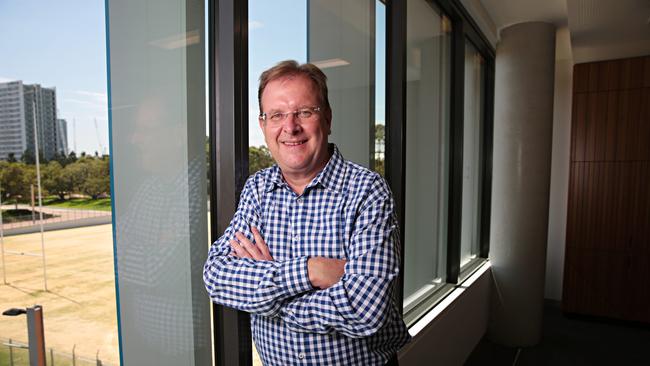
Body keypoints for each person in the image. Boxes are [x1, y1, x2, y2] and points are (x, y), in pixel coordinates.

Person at [203, 60, 410, 365]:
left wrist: (269, 296)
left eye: (304, 112)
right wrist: (311, 271)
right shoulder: (257, 189)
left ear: (327, 118)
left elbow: (366, 310)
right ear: (263, 126)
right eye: (276, 115)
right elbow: (216, 275)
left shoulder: (367, 190)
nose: (290, 127)